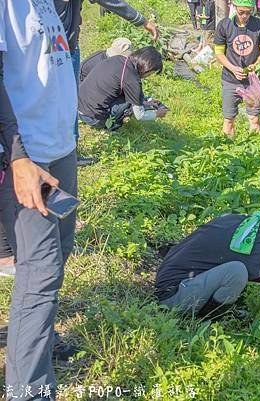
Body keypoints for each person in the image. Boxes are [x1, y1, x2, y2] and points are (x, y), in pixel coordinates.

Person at [0, 1, 79, 399]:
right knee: (41, 268)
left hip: (59, 146)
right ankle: (27, 390)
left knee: (61, 250)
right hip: (28, 154)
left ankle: (37, 344)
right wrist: (16, 156)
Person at [53, 0, 160, 166]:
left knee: (68, 101)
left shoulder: (114, 60)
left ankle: (69, 153)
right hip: (52, 47)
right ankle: (53, 153)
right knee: (54, 101)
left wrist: (141, 20)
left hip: (68, 46)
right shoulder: (128, 72)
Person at [214, 0, 260, 137]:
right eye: (241, 12)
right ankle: (228, 149)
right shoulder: (224, 25)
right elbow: (219, 52)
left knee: (254, 118)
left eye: (248, 12)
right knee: (228, 120)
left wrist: (255, 65)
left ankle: (254, 151)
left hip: (252, 82)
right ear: (234, 7)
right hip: (230, 80)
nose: (245, 16)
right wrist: (232, 68)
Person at [78, 46, 168, 132]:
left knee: (129, 96)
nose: (149, 76)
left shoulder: (118, 58)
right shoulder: (133, 80)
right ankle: (110, 125)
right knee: (130, 104)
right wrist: (157, 114)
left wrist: (144, 102)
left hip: (77, 107)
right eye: (152, 73)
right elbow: (140, 115)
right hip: (93, 119)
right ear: (148, 69)